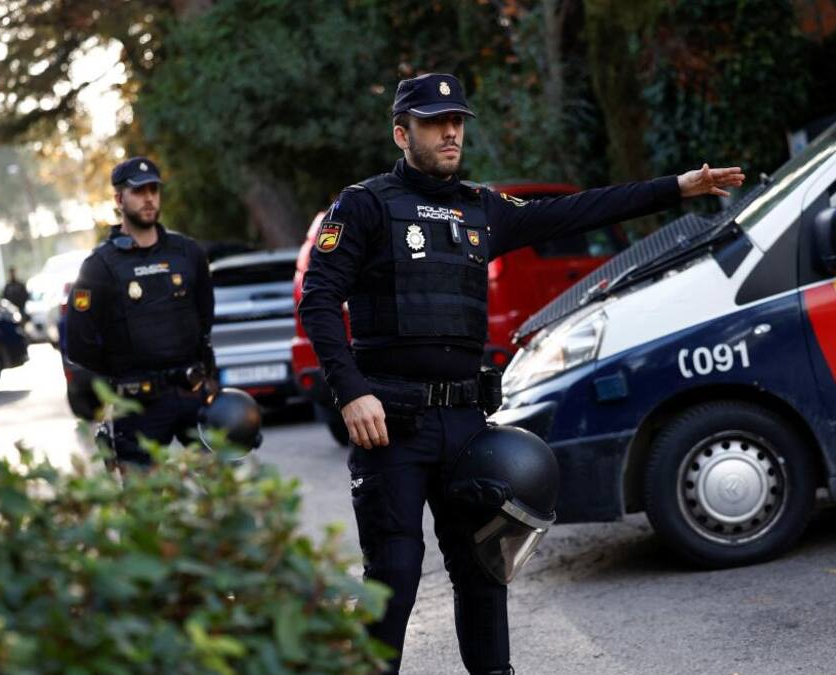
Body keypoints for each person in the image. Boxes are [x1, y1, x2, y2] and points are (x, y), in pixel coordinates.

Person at [298, 72, 744, 674]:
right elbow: (319, 300)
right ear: (401, 133)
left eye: (457, 120)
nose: (451, 130)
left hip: (466, 423)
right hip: (392, 424)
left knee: (483, 573)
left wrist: (678, 187)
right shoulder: (365, 205)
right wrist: (351, 393)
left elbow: (576, 210)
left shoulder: (483, 207)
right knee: (394, 578)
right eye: (434, 122)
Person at [65, 156, 219, 468]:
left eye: (153, 190)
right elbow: (79, 341)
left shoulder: (187, 253)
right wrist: (119, 374)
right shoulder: (99, 267)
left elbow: (205, 315)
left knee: (223, 492)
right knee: (143, 504)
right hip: (137, 406)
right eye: (139, 191)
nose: (148, 198)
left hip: (191, 392)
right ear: (119, 199)